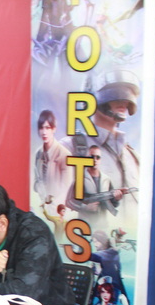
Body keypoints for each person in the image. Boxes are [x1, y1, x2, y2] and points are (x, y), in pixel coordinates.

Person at [61, 70, 140, 223]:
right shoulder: (70, 147)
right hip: (86, 233)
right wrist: (85, 207)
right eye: (115, 96)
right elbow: (56, 201)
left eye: (126, 98)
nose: (123, 103)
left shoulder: (132, 155)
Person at [65, 144, 130, 231]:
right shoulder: (80, 178)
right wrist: (85, 207)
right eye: (92, 157)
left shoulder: (106, 179)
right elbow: (69, 201)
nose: (95, 160)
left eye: (98, 157)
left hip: (102, 226)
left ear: (100, 160)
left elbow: (113, 204)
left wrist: (116, 199)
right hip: (84, 226)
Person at [32, 109, 71, 204]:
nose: (44, 132)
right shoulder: (38, 153)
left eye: (47, 128)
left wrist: (52, 201)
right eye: (41, 128)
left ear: (54, 129)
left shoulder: (64, 154)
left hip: (58, 206)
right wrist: (38, 187)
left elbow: (66, 188)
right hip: (41, 204)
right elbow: (36, 181)